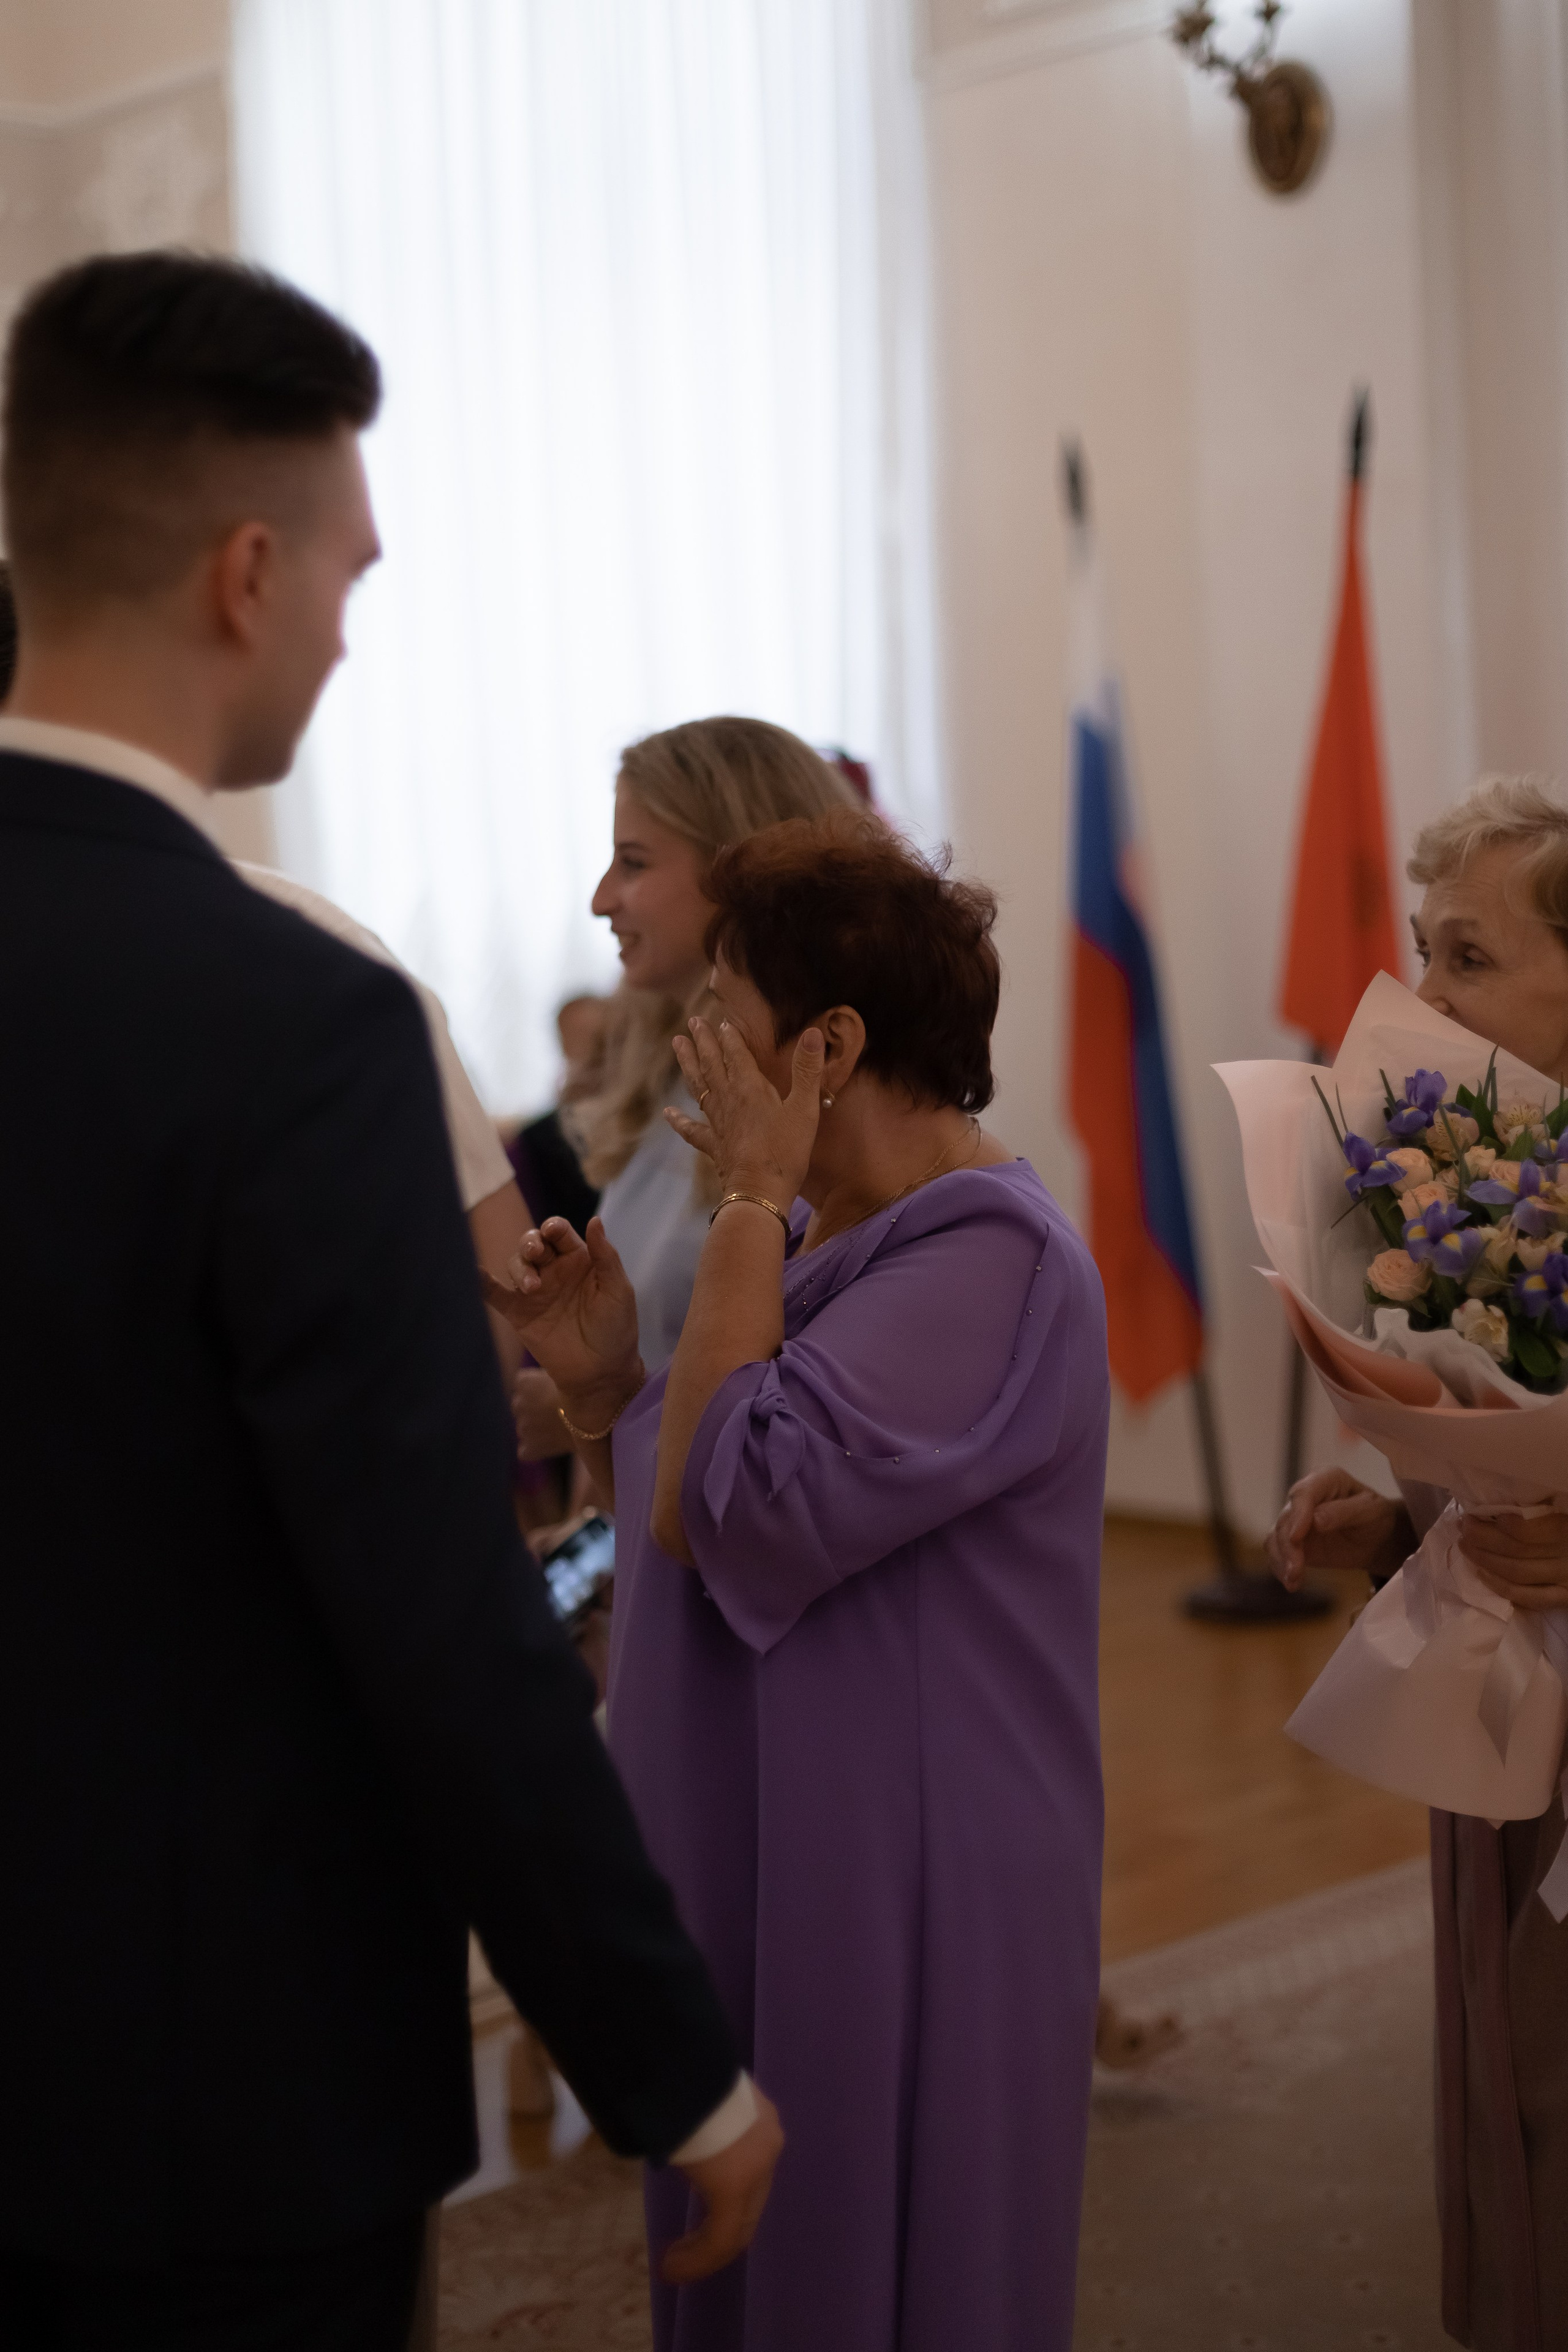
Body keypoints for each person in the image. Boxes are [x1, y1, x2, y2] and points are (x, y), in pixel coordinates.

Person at [0, 249, 781, 2352]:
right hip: (198, 2075)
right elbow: (430, 1611)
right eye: (351, 571)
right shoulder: (293, 1022)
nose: (351, 625)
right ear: (247, 573)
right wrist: (672, 2063)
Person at [489, 809, 1109, 2352]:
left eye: (723, 1010)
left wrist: (748, 1208)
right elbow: (710, 1458)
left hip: (913, 1859)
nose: (693, 1043)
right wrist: (603, 1390)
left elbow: (739, 1507)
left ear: (825, 1043)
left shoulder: (986, 1253)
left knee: (885, 2256)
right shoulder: (853, 1236)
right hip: (794, 1822)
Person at [1268, 774, 1568, 2352]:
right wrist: (1398, 1518)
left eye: (1462, 955)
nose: (1414, 996)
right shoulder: (1464, 1187)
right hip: (1508, 1694)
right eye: (1418, 949)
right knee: (1497, 2042)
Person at [510, 718, 854, 1467]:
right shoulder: (666, 1080)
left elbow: (804, 1431)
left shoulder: (812, 1102)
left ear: (745, 870)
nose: (603, 900)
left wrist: (595, 1412)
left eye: (632, 863)